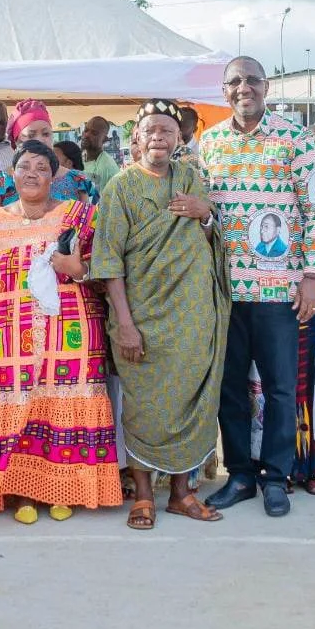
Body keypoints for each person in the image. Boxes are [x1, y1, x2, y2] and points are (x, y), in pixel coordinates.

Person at [0, 139, 121, 523]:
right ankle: (22, 493)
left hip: (71, 331)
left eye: (41, 167)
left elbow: (103, 268)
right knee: (20, 408)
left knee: (62, 408)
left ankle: (66, 488)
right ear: (12, 174)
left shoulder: (79, 215)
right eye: (24, 167)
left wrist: (76, 268)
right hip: (8, 334)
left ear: (54, 176)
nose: (32, 174)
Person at [200, 57, 315, 517]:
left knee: (278, 389)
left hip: (280, 291)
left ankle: (276, 477)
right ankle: (239, 475)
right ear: (224, 89)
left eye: (252, 80)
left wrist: (312, 276)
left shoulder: (296, 139)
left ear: (267, 86)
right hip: (226, 292)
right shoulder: (209, 142)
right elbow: (205, 213)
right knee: (229, 387)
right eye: (235, 82)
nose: (243, 88)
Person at [91, 100, 228, 529]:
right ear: (136, 137)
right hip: (143, 318)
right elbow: (108, 261)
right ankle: (145, 495)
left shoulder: (190, 178)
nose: (159, 138)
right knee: (144, 406)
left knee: (192, 400)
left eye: (167, 131)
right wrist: (126, 324)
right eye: (150, 130)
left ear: (180, 138)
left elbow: (212, 235)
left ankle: (182, 493)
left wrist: (206, 216)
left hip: (192, 316)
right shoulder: (121, 188)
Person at [0, 100, 96, 221]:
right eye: (31, 135)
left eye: (46, 134)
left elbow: (85, 231)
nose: (40, 140)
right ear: (16, 142)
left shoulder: (76, 181)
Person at [79, 116, 120, 194]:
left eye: (94, 133)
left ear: (104, 139)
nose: (87, 135)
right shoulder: (81, 159)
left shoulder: (106, 167)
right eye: (86, 130)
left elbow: (99, 203)